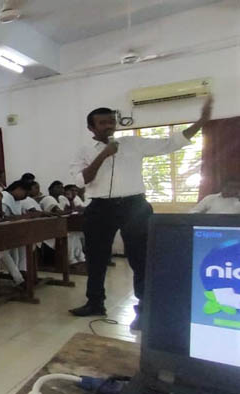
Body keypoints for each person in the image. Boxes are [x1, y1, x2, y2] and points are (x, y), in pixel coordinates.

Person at [68, 97, 213, 330]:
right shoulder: (83, 151)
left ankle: (144, 311)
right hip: (100, 207)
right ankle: (95, 303)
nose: (109, 126)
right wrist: (103, 154)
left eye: (111, 121)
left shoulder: (132, 143)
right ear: (91, 128)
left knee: (140, 259)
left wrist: (201, 122)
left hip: (134, 206)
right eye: (103, 123)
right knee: (96, 258)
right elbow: (80, 180)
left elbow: (171, 143)